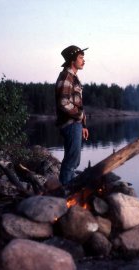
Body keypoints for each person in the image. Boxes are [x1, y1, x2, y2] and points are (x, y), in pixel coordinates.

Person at [55, 45, 89, 187]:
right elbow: (63, 103)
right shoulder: (66, 76)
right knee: (71, 161)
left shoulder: (74, 78)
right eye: (81, 57)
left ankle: (67, 191)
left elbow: (77, 103)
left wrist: (83, 125)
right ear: (72, 60)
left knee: (74, 160)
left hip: (75, 124)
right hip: (70, 124)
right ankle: (65, 195)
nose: (84, 60)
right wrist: (80, 116)